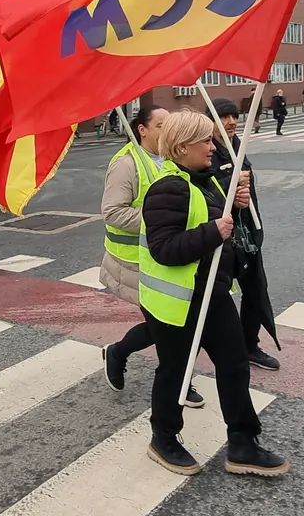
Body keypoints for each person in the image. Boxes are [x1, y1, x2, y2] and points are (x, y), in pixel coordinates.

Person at [139, 110, 288, 477]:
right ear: (181, 146)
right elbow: (164, 248)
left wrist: (234, 210)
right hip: (178, 302)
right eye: (205, 140)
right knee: (175, 370)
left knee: (235, 365)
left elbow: (218, 230)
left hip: (212, 293)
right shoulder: (167, 188)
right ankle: (164, 438)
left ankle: (242, 443)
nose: (213, 146)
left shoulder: (203, 180)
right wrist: (214, 230)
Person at [99, 107, 205, 406]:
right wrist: (161, 220)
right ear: (142, 129)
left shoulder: (173, 158)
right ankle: (176, 381)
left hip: (171, 257)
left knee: (175, 322)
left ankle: (122, 354)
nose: (166, 130)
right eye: (160, 125)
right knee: (169, 324)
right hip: (135, 261)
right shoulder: (127, 163)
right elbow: (112, 211)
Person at [206, 98, 281, 371]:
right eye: (224, 117)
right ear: (210, 121)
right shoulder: (206, 149)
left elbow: (247, 189)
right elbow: (204, 190)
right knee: (212, 299)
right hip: (222, 236)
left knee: (256, 290)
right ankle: (198, 355)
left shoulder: (237, 144)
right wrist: (231, 183)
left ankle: (250, 345)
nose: (231, 122)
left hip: (247, 232)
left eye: (234, 116)